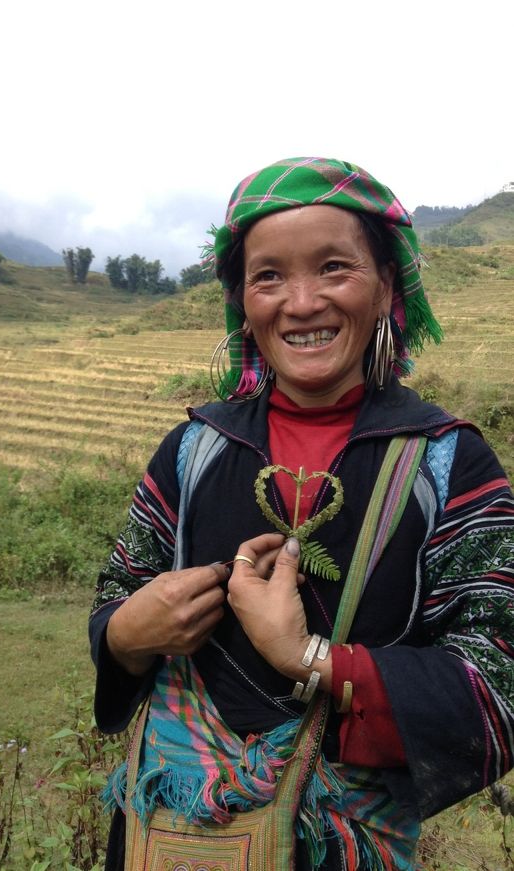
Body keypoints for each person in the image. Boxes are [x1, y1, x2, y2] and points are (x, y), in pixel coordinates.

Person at [89, 157, 514, 870]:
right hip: (172, 839)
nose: (302, 301)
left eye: (334, 268)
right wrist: (132, 630)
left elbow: (498, 679)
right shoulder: (195, 448)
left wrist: (308, 657)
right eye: (269, 276)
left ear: (385, 287)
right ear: (242, 301)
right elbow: (115, 597)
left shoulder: (449, 464)